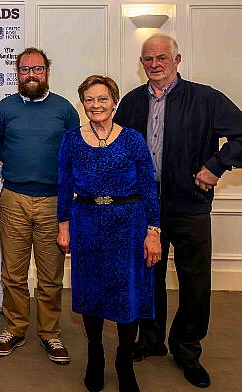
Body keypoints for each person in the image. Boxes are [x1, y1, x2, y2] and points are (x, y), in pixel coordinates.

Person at [114, 33, 242, 388]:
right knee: (147, 277)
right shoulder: (131, 102)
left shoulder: (206, 98)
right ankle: (151, 340)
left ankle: (187, 350)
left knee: (195, 282)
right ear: (142, 65)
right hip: (143, 209)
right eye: (148, 59)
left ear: (177, 60)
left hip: (189, 207)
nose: (154, 65)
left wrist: (217, 165)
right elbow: (116, 147)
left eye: (161, 58)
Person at [57, 75, 161, 392]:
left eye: (102, 99)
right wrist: (64, 226)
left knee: (128, 295)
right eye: (89, 100)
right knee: (91, 295)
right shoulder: (71, 140)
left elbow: (148, 186)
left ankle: (124, 362)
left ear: (114, 102)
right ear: (82, 104)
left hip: (129, 225)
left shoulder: (132, 139)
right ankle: (95, 356)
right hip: (87, 222)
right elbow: (64, 186)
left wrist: (153, 230)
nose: (96, 105)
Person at [0, 47, 79, 364]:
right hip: (14, 198)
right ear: (17, 72)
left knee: (50, 275)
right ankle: (14, 328)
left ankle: (50, 333)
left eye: (37, 69)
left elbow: (73, 151)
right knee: (12, 274)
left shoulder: (65, 109)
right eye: (25, 69)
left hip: (54, 202)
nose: (31, 74)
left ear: (47, 72)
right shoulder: (3, 109)